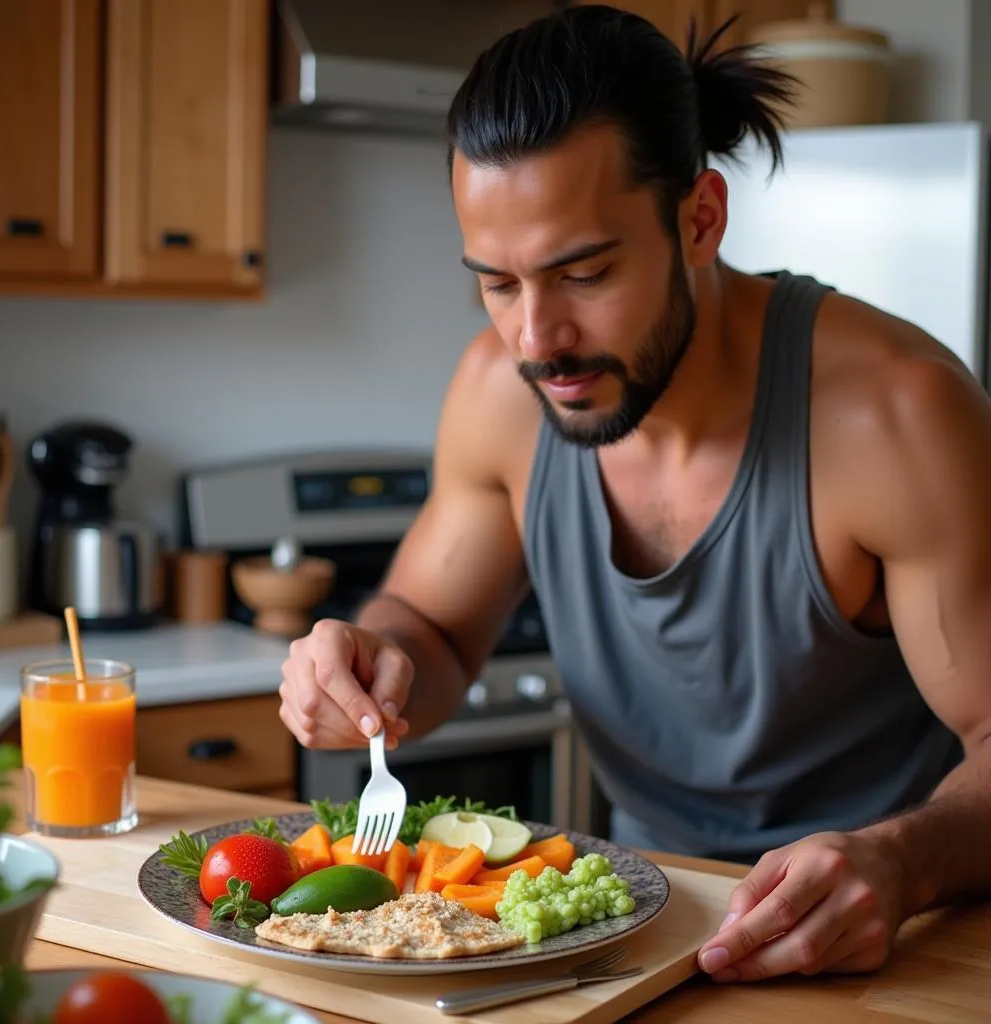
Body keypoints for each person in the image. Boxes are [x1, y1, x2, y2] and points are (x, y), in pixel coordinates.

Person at [279, 4, 991, 985]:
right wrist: (371, 660)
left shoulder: (894, 414)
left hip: (895, 941)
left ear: (699, 218)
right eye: (496, 282)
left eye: (583, 272)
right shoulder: (498, 393)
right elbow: (433, 636)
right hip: (634, 933)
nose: (535, 338)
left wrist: (900, 861)